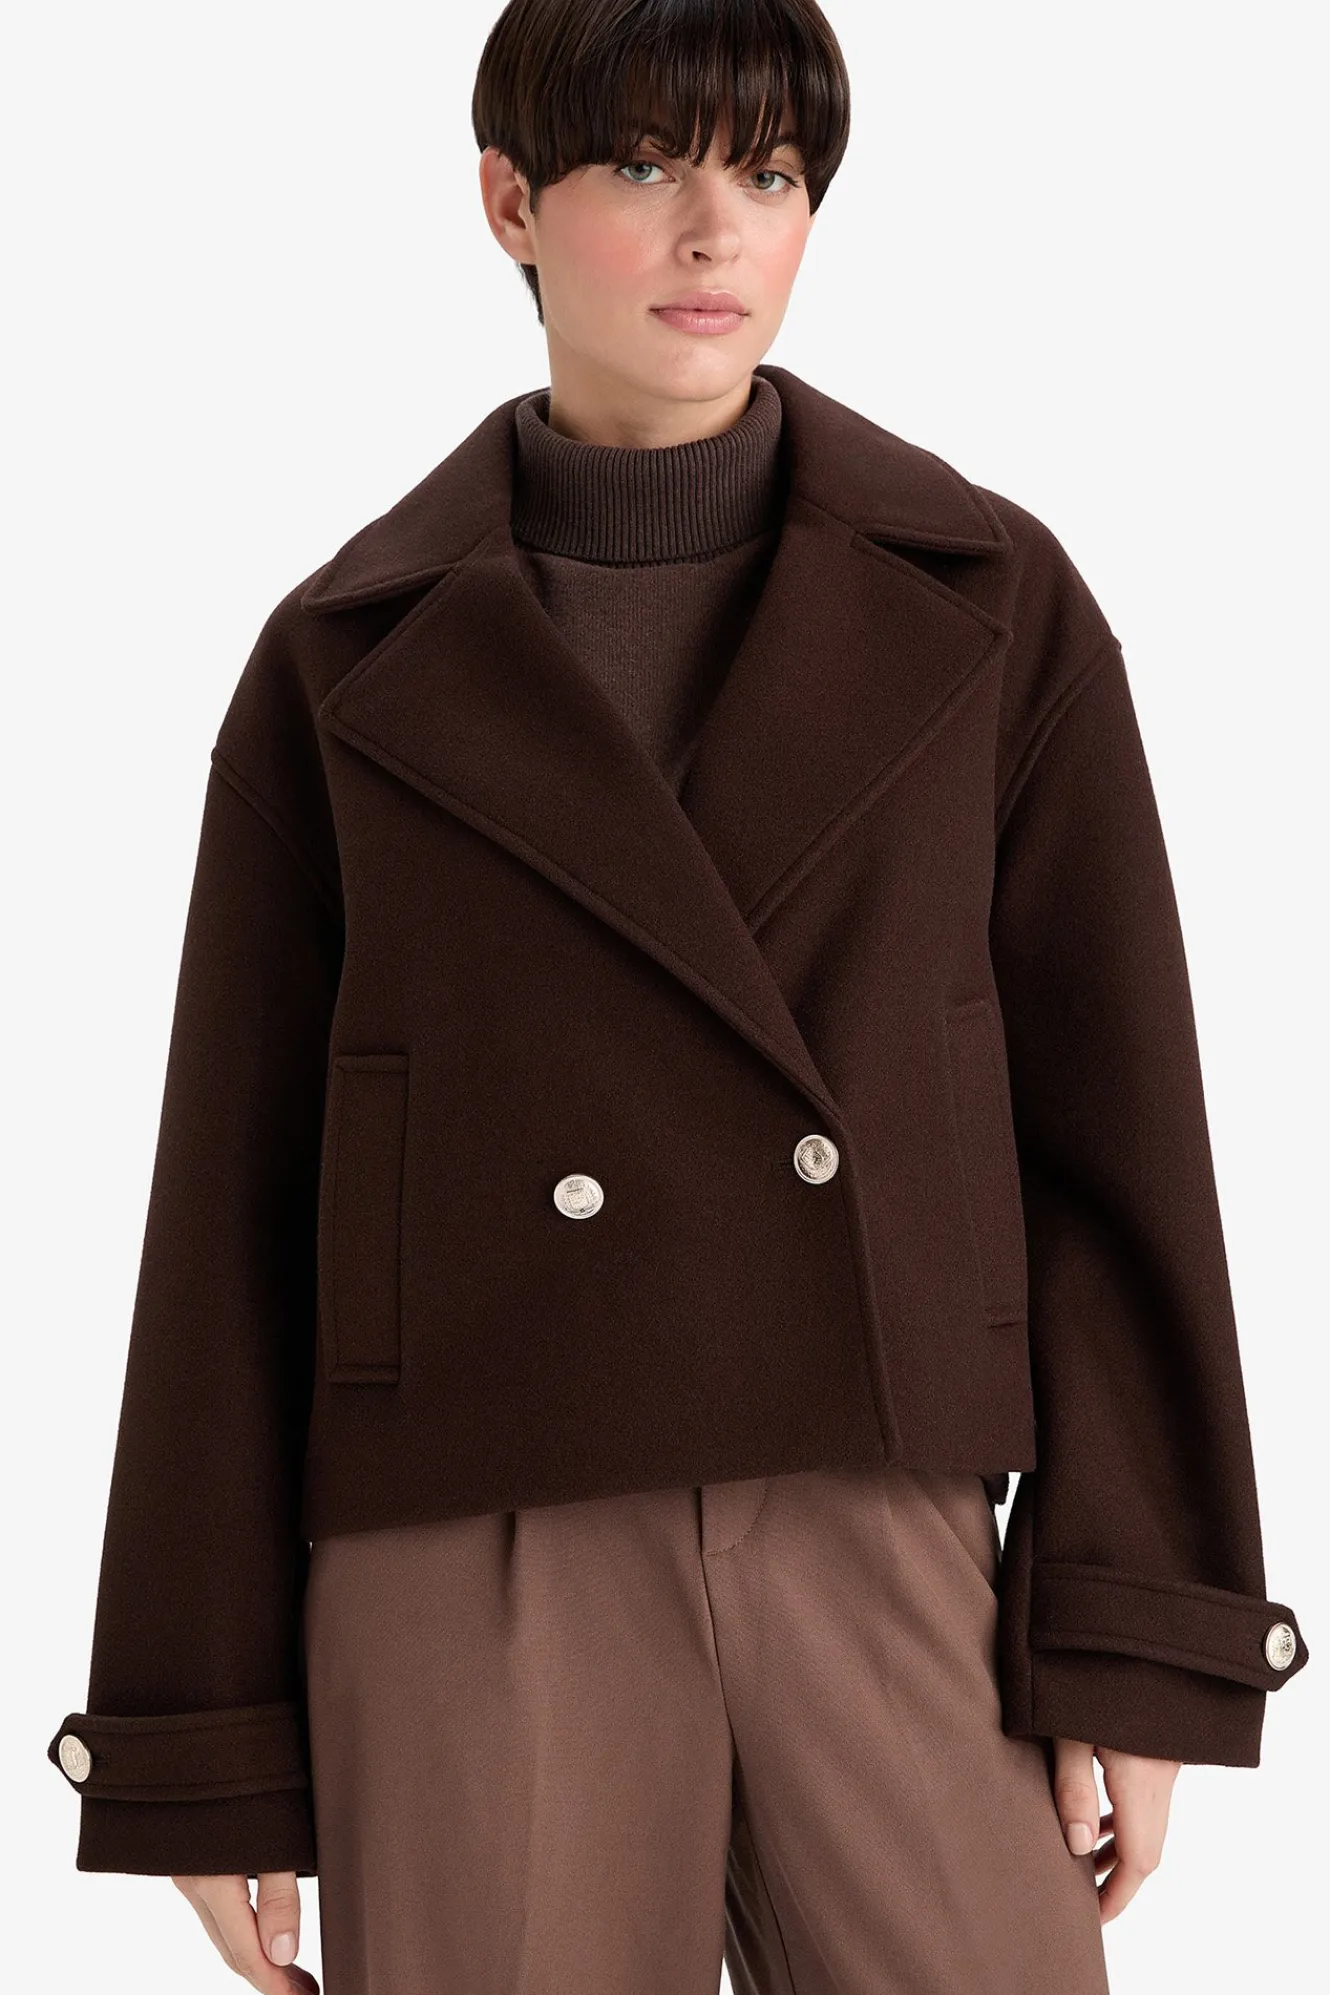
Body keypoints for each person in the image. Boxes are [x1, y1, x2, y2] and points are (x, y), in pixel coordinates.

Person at [47, 2, 1309, 1991]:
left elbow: (1113, 1134)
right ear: (507, 203)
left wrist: (1135, 1628)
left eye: (770, 174)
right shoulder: (344, 659)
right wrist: (197, 1736)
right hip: (473, 1544)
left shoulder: (988, 602)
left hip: (880, 1511)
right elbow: (229, 1209)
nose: (716, 230)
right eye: (643, 166)